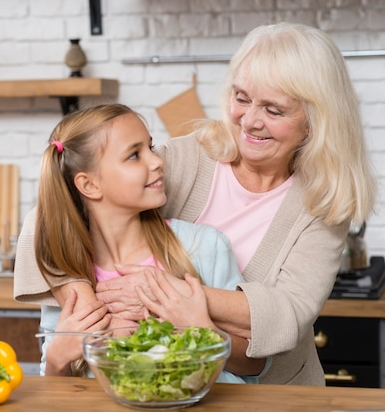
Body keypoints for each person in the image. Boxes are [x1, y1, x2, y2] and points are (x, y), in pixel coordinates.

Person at [14, 22, 377, 386]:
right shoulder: (188, 158)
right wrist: (80, 304)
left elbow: (288, 318)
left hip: (277, 394)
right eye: (241, 98)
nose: (250, 121)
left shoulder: (323, 202)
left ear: (315, 121)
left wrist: (169, 299)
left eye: (274, 110)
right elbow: (55, 212)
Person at [29, 103, 265, 382]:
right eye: (133, 155)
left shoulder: (202, 247)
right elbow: (56, 391)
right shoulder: (69, 270)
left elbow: (255, 364)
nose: (157, 161)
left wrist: (196, 328)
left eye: (150, 148)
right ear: (89, 185)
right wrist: (58, 357)